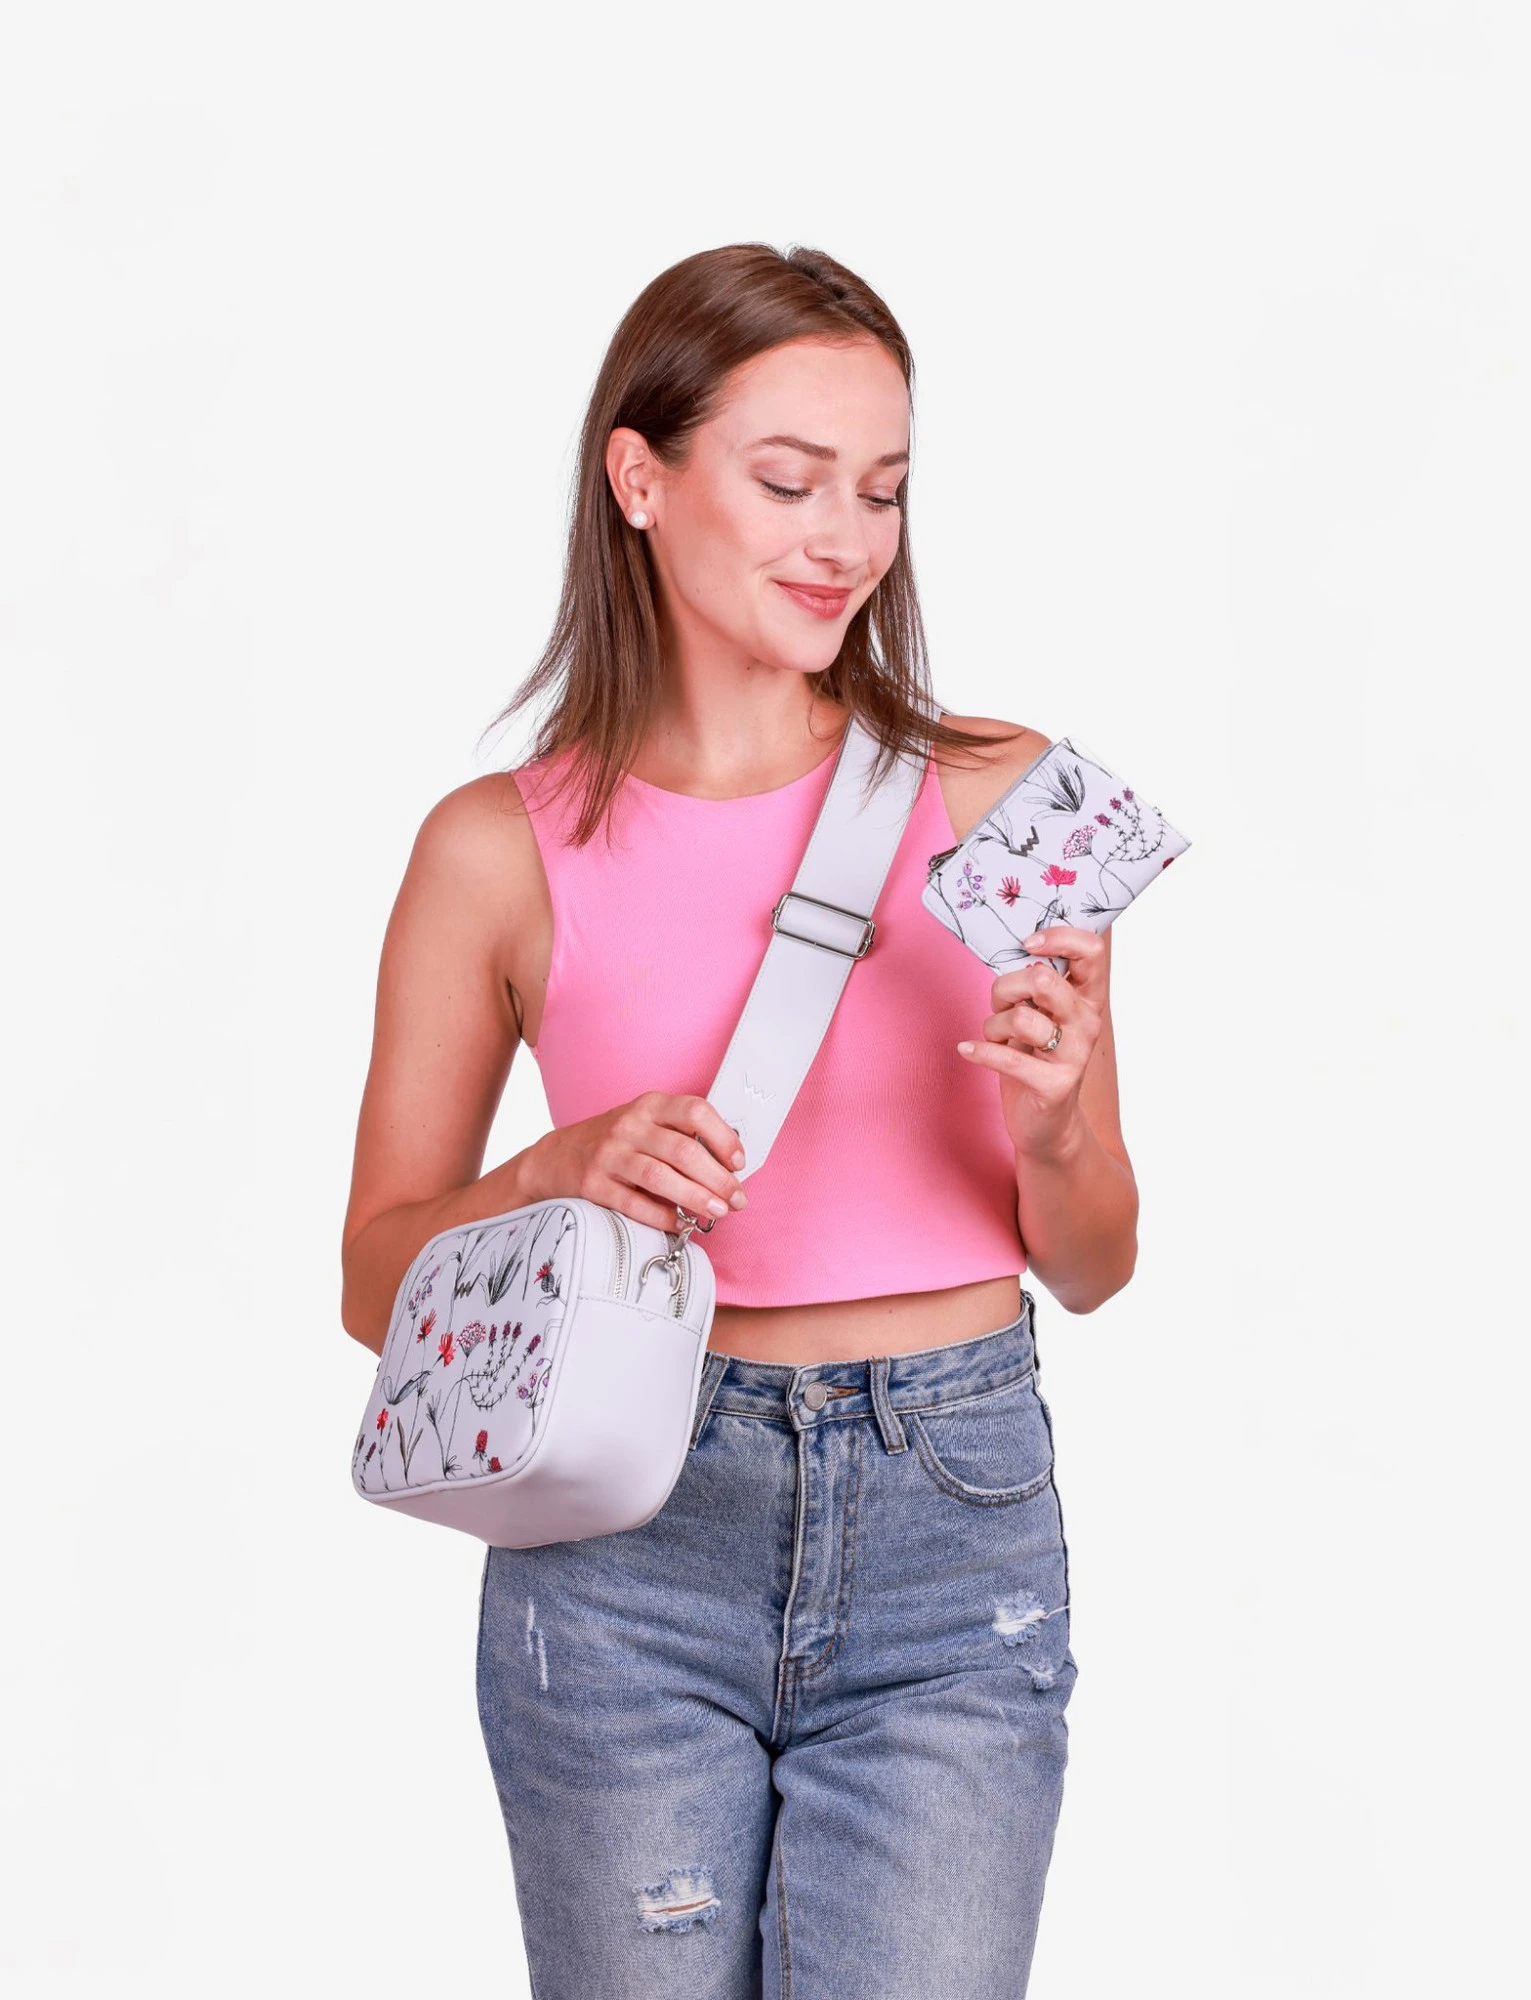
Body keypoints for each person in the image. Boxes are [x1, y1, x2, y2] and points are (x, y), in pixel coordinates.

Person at [340, 242, 1139, 2000]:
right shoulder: (492, 847)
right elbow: (373, 1282)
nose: (844, 538)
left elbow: (1093, 1265)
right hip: (623, 1535)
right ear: (639, 478)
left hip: (953, 1517)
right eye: (788, 482)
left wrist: (1059, 1124)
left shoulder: (1005, 796)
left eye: (881, 488)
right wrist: (557, 1172)